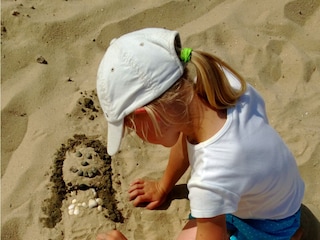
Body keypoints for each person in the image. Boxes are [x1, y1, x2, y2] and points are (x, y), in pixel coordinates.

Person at [96, 28, 305, 240]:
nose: (137, 135)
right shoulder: (217, 83)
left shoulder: (210, 175)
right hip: (273, 199)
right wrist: (162, 186)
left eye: (132, 127)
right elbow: (185, 142)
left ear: (149, 115)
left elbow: (213, 179)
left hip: (269, 225)